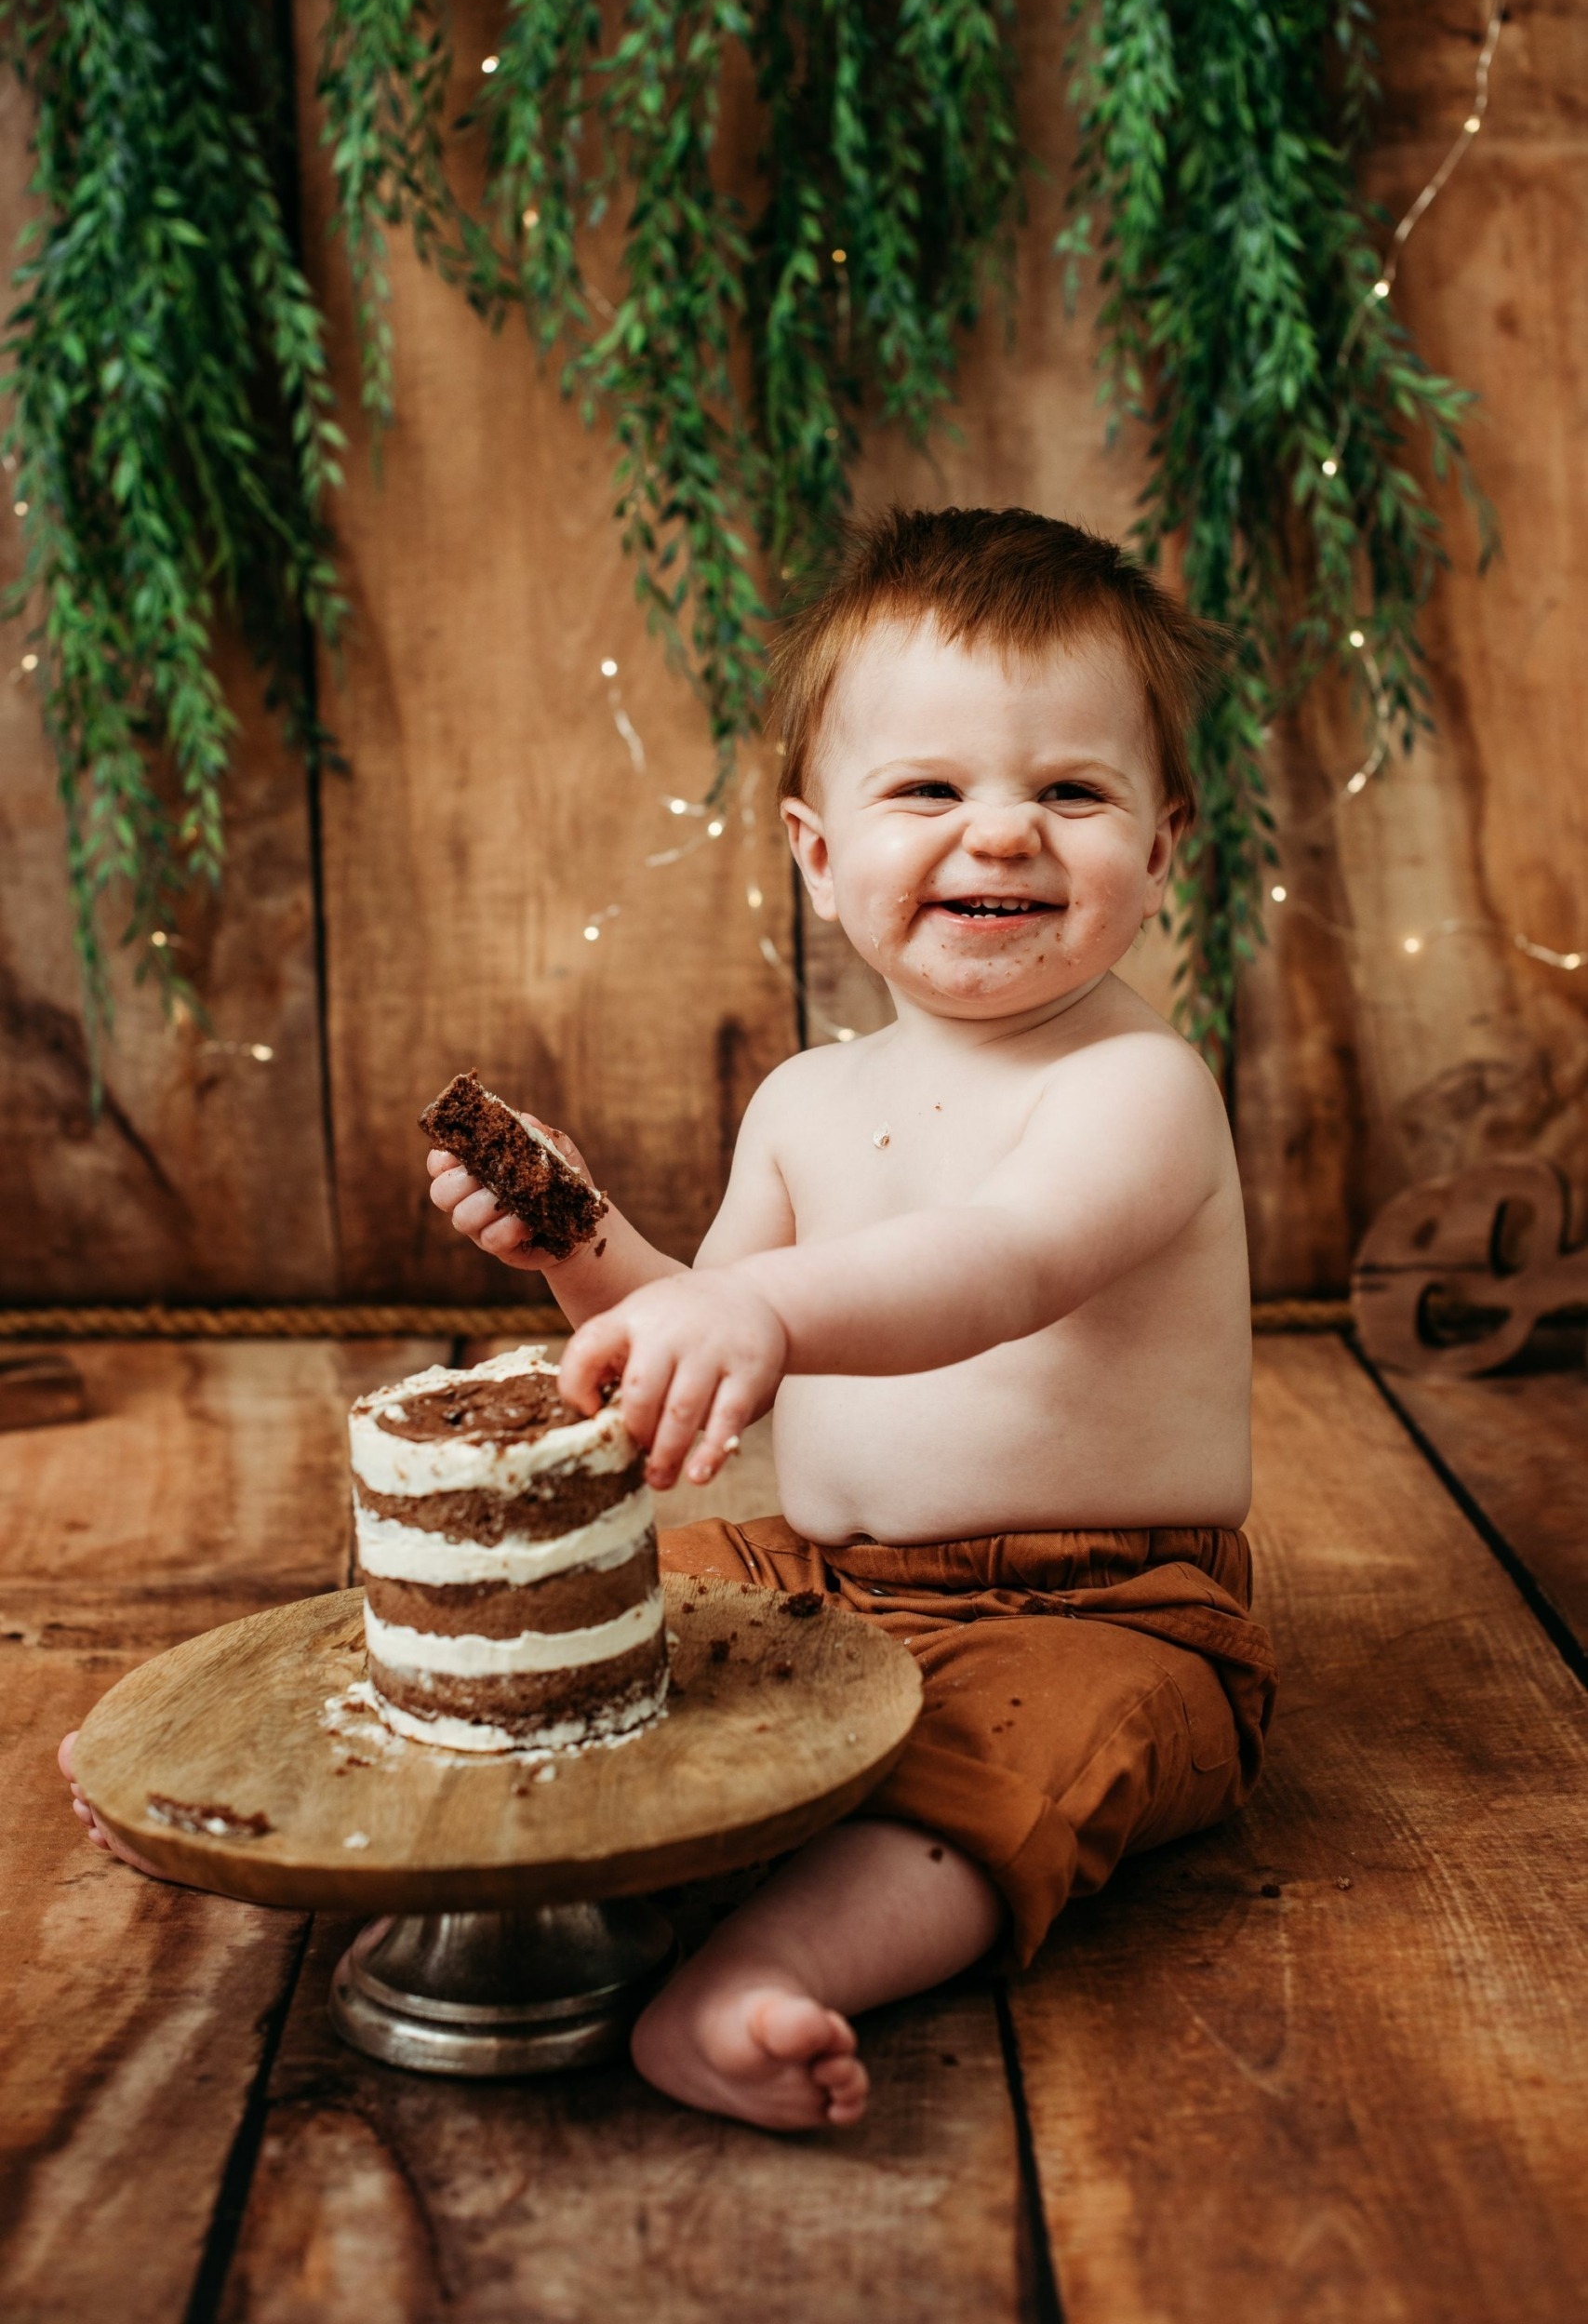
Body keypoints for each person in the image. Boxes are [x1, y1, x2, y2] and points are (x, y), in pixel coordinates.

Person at [63, 506, 1276, 2133]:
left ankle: (762, 1977)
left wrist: (759, 1306)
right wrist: (583, 1242)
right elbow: (703, 1330)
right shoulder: (802, 1100)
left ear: (1166, 846)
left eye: (1071, 790)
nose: (1003, 837)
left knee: (1009, 1769)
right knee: (574, 1623)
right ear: (817, 849)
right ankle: (287, 1800)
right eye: (929, 789)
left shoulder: (1139, 1089)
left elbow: (1001, 1268)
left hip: (1101, 1605)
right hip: (816, 1573)